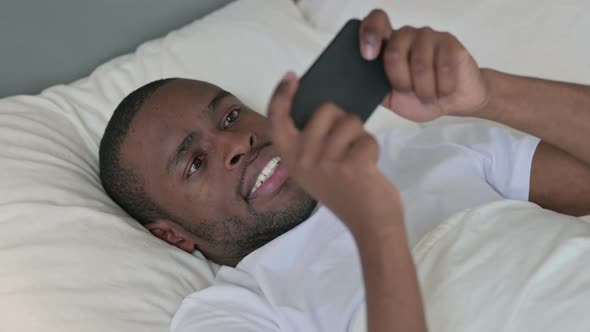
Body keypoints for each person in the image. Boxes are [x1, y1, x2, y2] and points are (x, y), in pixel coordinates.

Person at [99, 9, 590, 332]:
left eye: (229, 116)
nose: (236, 143)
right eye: (195, 163)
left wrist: (486, 93)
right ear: (173, 236)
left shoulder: (428, 150)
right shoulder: (231, 316)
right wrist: (377, 226)